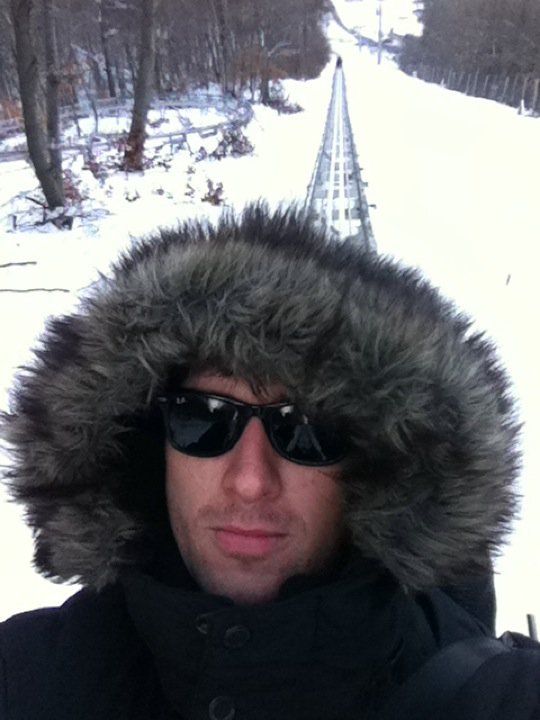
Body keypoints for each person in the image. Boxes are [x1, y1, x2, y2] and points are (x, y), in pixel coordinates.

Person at [0, 203, 539, 720]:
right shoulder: (31, 680)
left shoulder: (494, 697)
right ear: (146, 440)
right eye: (203, 418)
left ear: (377, 467)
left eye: (308, 429)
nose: (251, 481)